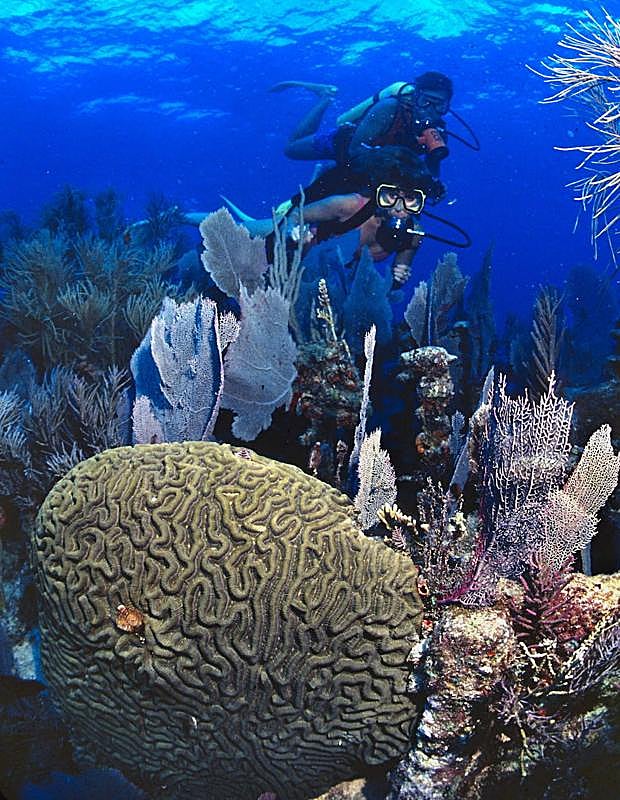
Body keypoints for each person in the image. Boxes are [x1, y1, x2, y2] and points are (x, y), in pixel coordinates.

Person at [222, 148, 443, 287]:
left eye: (411, 200)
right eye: (391, 196)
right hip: (297, 245)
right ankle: (188, 217)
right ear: (378, 193)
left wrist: (397, 278)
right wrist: (291, 232)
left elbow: (394, 281)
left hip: (318, 277)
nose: (399, 208)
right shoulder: (348, 205)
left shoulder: (413, 235)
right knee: (238, 228)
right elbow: (293, 217)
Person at [270, 72, 454, 177]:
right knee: (291, 149)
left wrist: (433, 184)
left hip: (376, 168)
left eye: (440, 105)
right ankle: (326, 96)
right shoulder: (388, 108)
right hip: (342, 144)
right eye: (426, 102)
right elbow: (355, 149)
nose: (431, 110)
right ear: (415, 98)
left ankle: (326, 171)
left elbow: (432, 170)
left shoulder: (438, 133)